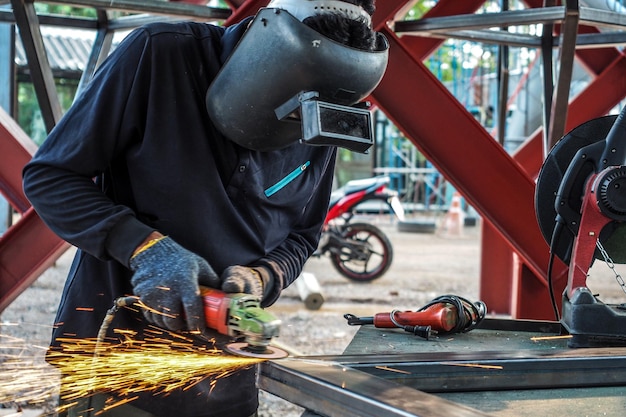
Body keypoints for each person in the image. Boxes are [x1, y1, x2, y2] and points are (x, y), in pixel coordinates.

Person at [22, 1, 388, 416]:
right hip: (117, 359)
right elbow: (49, 177)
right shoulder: (158, 55)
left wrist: (263, 276)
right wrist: (143, 248)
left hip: (225, 369)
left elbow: (302, 235)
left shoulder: (325, 109)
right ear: (264, 40)